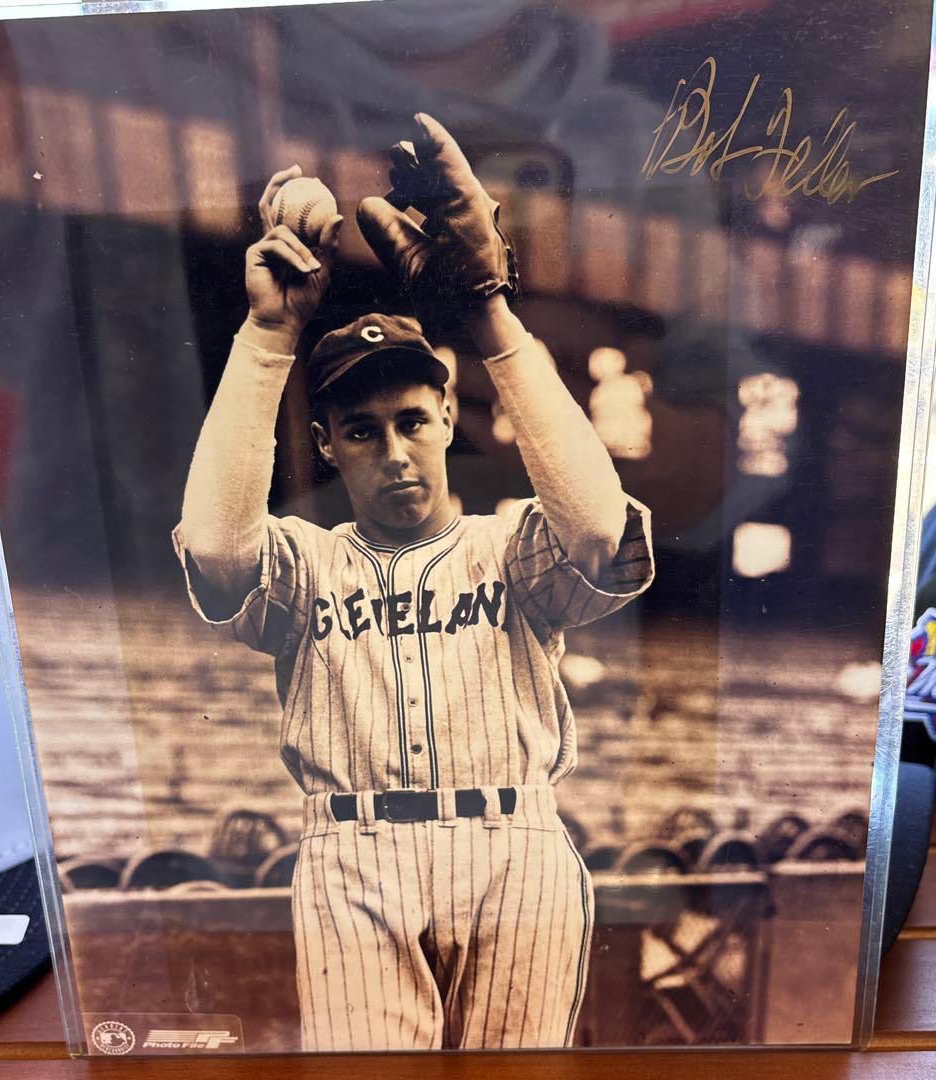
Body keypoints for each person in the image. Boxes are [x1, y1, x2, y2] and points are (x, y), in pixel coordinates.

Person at [173, 113, 654, 1051]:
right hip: (352, 853)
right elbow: (219, 550)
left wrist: (489, 313)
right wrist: (269, 334)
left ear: (445, 416)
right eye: (362, 431)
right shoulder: (308, 564)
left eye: (412, 421)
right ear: (328, 446)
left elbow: (599, 532)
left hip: (515, 847)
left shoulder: (511, 547)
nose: (393, 452)